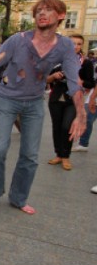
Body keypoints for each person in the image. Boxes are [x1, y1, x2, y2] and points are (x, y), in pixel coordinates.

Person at [0, 0, 86, 215]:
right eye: (39, 10)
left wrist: (81, 114)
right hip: (8, 99)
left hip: (34, 103)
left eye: (48, 10)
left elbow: (73, 80)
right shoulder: (17, 40)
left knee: (30, 155)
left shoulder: (65, 46)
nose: (42, 13)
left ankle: (19, 197)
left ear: (60, 16)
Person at [46, 34, 95, 170]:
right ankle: (58, 154)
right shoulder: (57, 61)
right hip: (56, 98)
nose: (76, 46)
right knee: (56, 126)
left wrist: (82, 82)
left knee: (67, 127)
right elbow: (45, 79)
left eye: (79, 44)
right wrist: (53, 76)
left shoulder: (86, 63)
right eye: (73, 43)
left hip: (74, 99)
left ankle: (66, 156)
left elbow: (91, 83)